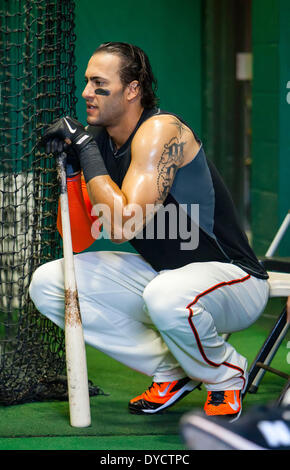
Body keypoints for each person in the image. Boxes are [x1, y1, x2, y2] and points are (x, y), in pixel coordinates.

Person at [29, 42, 270, 421]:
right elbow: (79, 235)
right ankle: (172, 370)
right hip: (167, 276)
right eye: (86, 82)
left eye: (98, 83)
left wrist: (86, 150)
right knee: (50, 282)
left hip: (234, 280)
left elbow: (124, 225)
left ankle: (224, 373)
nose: (85, 93)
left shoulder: (161, 130)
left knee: (164, 294)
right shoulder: (101, 144)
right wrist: (76, 169)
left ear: (132, 89)